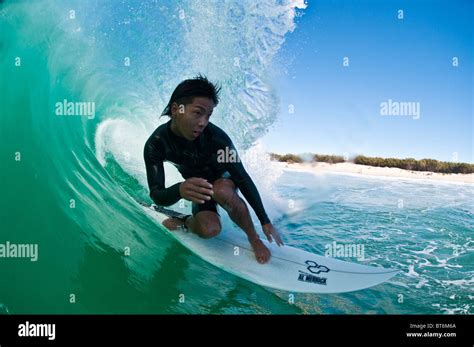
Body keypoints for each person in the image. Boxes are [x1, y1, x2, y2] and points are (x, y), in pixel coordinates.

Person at [144, 75, 283, 264]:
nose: (203, 122)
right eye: (198, 113)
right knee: (209, 230)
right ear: (176, 109)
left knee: (221, 190)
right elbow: (157, 195)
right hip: (199, 189)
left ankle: (254, 238)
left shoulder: (218, 140)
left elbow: (242, 178)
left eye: (208, 115)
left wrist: (265, 220)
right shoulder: (156, 144)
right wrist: (180, 190)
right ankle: (185, 221)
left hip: (224, 182)